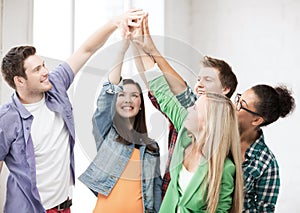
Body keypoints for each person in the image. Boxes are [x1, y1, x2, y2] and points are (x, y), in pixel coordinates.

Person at [0, 9, 145, 213]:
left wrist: (116, 22)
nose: (45, 72)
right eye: (37, 70)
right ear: (19, 81)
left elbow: (86, 50)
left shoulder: (55, 84)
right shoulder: (6, 119)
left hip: (64, 208)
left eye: (43, 65)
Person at [133, 14, 238, 197]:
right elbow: (159, 86)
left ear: (225, 89)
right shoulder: (191, 109)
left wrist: (147, 48)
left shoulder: (224, 128)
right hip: (170, 197)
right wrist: (138, 44)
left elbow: (163, 88)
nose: (199, 84)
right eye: (198, 79)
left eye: (208, 79)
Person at [78, 20, 162, 213]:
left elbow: (155, 192)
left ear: (141, 105)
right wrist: (121, 50)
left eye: (134, 95)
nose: (128, 99)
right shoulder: (107, 133)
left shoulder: (151, 148)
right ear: (115, 102)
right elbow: (107, 94)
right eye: (122, 94)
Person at [234, 84, 295, 212]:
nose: (234, 107)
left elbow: (265, 209)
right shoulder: (218, 132)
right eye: (238, 99)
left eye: (241, 104)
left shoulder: (267, 163)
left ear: (256, 120)